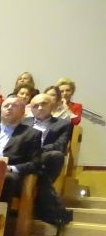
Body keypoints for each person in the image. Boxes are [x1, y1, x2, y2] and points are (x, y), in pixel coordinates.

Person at [22, 93, 73, 226]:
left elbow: (60, 145)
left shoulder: (63, 124)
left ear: (52, 106)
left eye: (43, 104)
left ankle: (42, 201)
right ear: (30, 108)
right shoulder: (23, 122)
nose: (40, 108)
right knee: (42, 176)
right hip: (22, 157)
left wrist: (37, 150)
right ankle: (53, 209)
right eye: (35, 105)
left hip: (43, 155)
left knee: (56, 155)